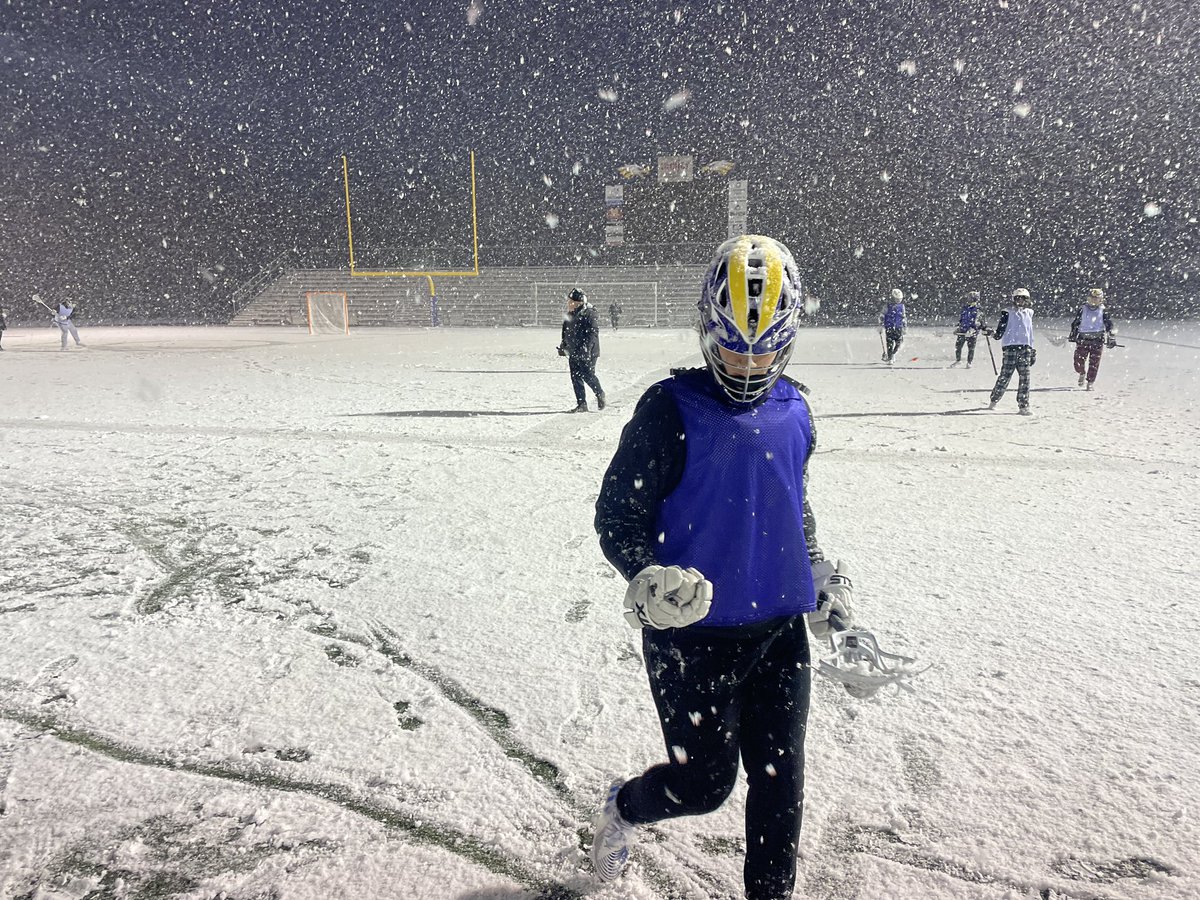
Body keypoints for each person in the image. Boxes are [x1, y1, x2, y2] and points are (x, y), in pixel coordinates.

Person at [591, 234, 859, 900]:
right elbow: (618, 514)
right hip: (691, 639)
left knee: (780, 782)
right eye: (733, 346)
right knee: (703, 785)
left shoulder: (796, 409)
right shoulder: (668, 410)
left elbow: (789, 505)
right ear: (706, 331)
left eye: (764, 348)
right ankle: (621, 808)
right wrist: (643, 573)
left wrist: (817, 572)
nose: (748, 363)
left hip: (778, 634)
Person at [988, 287, 1036, 415]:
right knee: (1005, 376)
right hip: (1010, 348)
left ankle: (1023, 406)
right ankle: (994, 400)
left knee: (1025, 378)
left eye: (1023, 299)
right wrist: (991, 333)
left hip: (1025, 349)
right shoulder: (1007, 313)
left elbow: (1030, 333)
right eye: (1018, 299)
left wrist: (1032, 350)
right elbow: (999, 332)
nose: (1020, 301)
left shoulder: (1029, 313)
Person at [557, 288, 605, 412]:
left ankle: (599, 393)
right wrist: (564, 345)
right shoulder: (569, 315)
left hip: (588, 351)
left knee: (587, 375)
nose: (568, 303)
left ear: (579, 302)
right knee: (575, 377)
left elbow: (593, 333)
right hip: (573, 351)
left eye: (571, 301)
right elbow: (566, 331)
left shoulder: (589, 313)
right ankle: (582, 404)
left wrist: (586, 348)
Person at [1069, 288, 1117, 391]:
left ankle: (1090, 382)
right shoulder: (1082, 309)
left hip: (1097, 340)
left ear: (1101, 300)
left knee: (1094, 363)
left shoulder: (1103, 310)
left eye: (1096, 299)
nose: (1094, 301)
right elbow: (1076, 323)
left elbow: (1109, 324)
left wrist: (1111, 337)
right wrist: (1073, 333)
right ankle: (1081, 372)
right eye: (1092, 299)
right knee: (1078, 361)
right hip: (1083, 339)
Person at [950, 291, 985, 368]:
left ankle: (969, 362)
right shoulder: (965, 308)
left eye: (971, 298)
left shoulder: (978, 309)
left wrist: (975, 329)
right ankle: (958, 360)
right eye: (969, 298)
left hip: (972, 332)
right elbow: (962, 319)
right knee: (958, 346)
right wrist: (959, 327)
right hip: (962, 330)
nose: (969, 300)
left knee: (971, 348)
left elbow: (980, 322)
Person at [879, 288, 906, 364]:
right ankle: (890, 357)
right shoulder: (887, 306)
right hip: (889, 327)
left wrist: (905, 327)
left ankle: (893, 354)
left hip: (898, 327)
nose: (899, 300)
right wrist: (880, 325)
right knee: (890, 343)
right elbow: (882, 315)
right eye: (897, 299)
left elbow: (904, 317)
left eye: (900, 299)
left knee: (899, 342)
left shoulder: (902, 306)